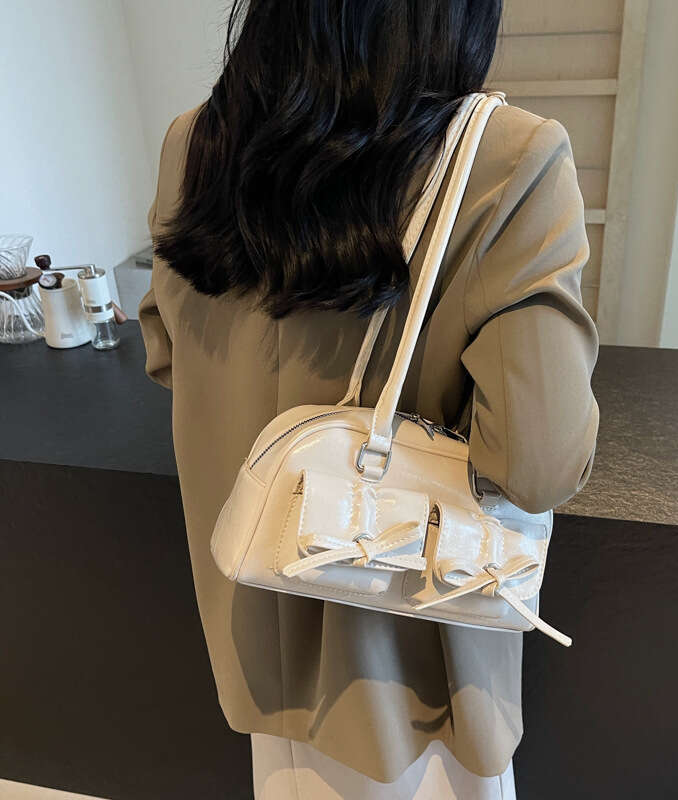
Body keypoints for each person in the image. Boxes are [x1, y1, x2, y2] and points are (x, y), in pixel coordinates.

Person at [139, 1, 599, 797]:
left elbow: (165, 350)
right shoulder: (509, 156)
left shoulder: (193, 142)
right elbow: (537, 463)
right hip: (420, 685)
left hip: (255, 633)